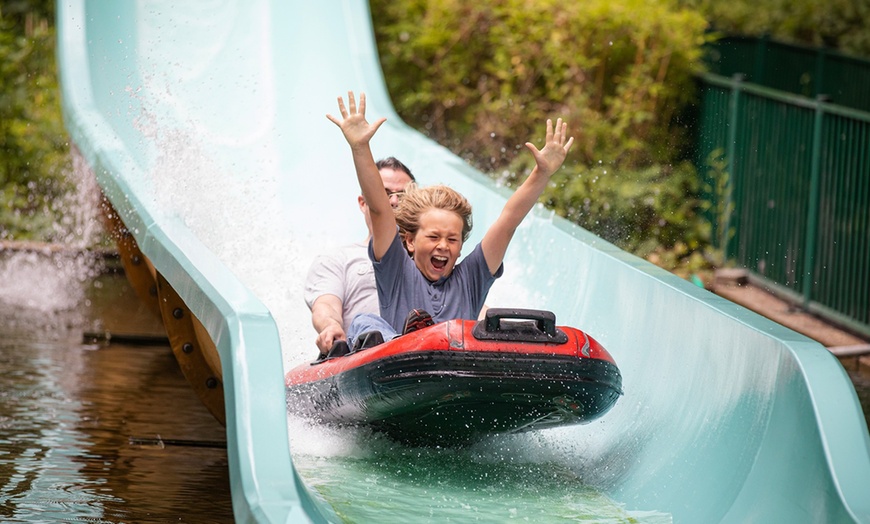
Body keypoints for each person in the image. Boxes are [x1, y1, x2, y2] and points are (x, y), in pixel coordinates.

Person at [326, 91, 573, 347]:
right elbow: (379, 210)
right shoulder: (396, 270)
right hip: (397, 357)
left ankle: (427, 337)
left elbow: (508, 221)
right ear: (409, 242)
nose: (443, 245)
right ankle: (403, 340)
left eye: (452, 239)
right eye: (433, 236)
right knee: (364, 321)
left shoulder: (471, 278)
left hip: (454, 363)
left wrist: (541, 173)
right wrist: (360, 147)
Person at [303, 157, 415, 356]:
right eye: (384, 194)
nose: (394, 201)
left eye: (403, 196)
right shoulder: (338, 258)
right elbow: (326, 304)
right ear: (363, 203)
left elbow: (462, 297)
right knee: (366, 322)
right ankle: (392, 345)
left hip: (424, 350)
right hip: (365, 356)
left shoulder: (430, 259)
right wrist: (330, 325)